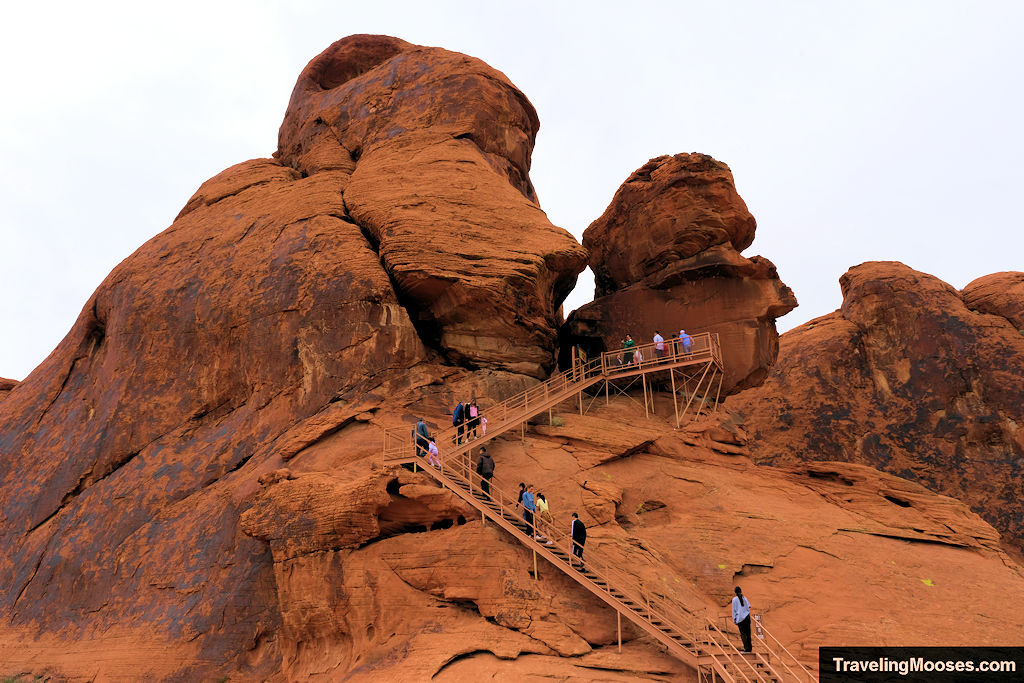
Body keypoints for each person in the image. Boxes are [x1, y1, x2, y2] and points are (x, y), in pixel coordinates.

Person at [732, 586, 753, 653]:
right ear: (741, 591)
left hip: (740, 619)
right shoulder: (744, 598)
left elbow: (734, 610)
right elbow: (748, 607)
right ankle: (750, 649)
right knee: (748, 633)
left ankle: (746, 649)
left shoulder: (734, 599)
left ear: (735, 592)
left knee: (743, 634)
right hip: (747, 617)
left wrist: (734, 619)